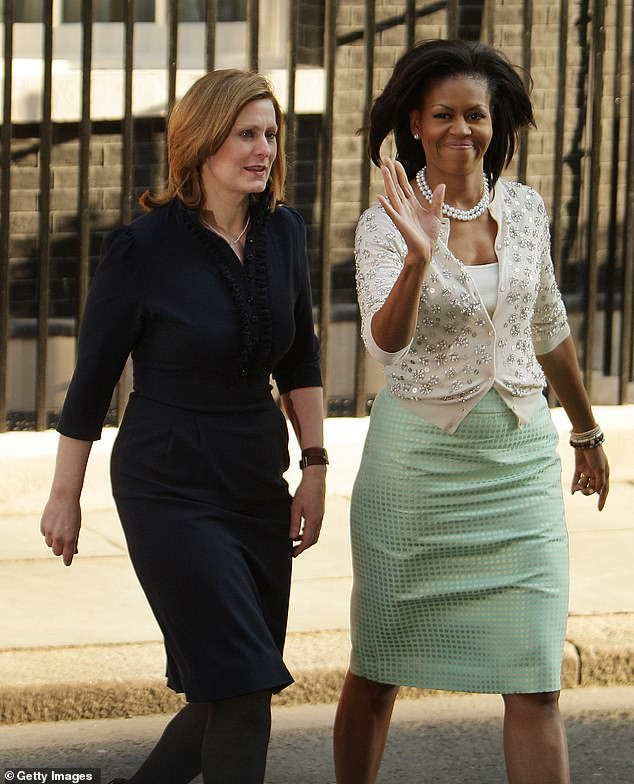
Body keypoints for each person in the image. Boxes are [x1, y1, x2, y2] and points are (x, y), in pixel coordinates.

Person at [333, 39, 609, 784]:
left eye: (476, 115)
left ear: (496, 124)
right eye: (444, 114)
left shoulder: (523, 210)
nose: (462, 128)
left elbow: (548, 325)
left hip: (516, 466)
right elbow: (385, 341)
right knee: (379, 667)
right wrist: (420, 257)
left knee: (537, 679)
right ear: (416, 124)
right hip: (415, 471)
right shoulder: (382, 224)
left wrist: (585, 430)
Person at [40, 69, 327, 784]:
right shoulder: (144, 247)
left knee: (231, 686)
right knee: (241, 685)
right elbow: (92, 381)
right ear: (201, 141)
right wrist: (63, 495)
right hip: (169, 485)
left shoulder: (285, 232)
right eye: (247, 134)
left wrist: (315, 465)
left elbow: (301, 358)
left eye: (271, 134)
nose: (264, 149)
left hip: (255, 482)